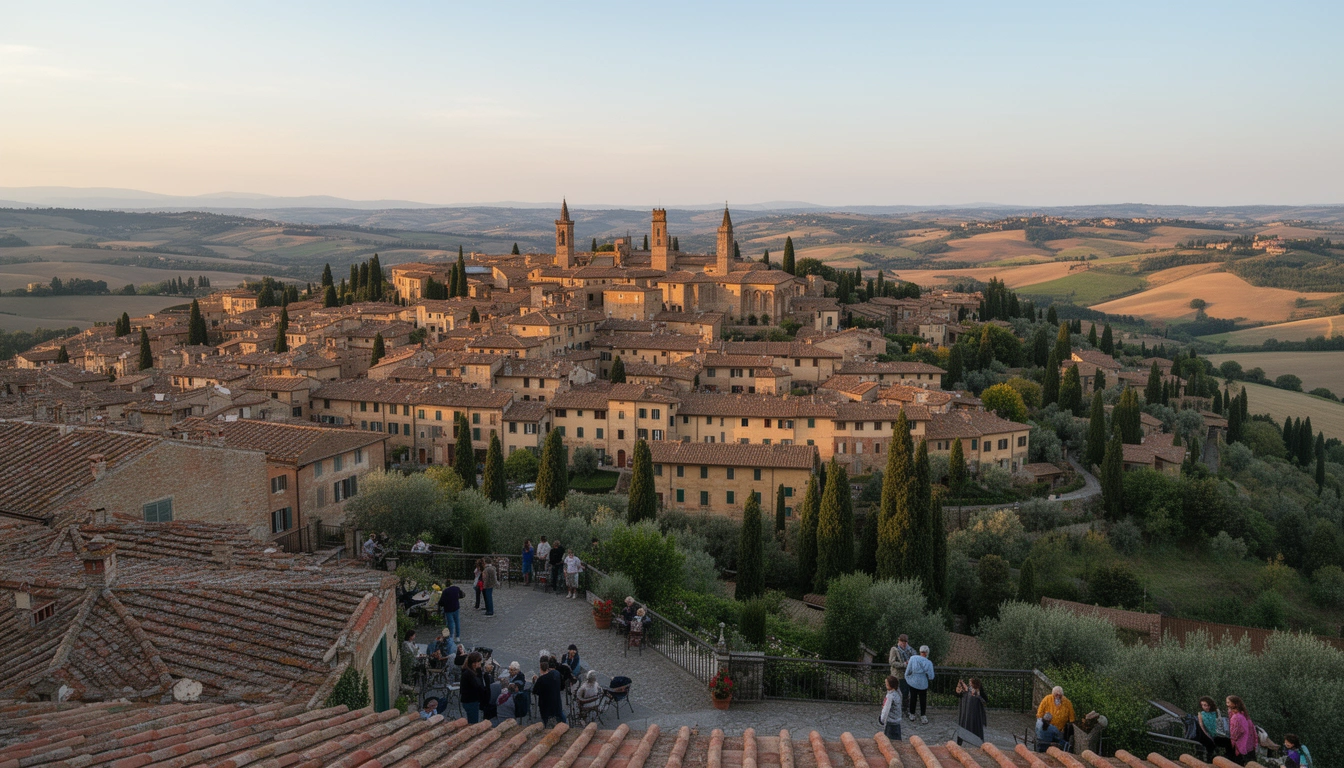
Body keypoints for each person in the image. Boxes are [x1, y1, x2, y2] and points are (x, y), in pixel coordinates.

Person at [904, 645, 934, 724]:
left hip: (913, 682)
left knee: (913, 698)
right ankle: (923, 716)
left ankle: (912, 714)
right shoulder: (929, 663)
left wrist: (908, 678)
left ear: (920, 651)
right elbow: (931, 676)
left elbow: (908, 671)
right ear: (927, 653)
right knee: (923, 700)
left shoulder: (913, 658)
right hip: (923, 683)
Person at [532, 658, 567, 726]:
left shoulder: (541, 680)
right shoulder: (556, 673)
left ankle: (546, 726)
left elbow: (535, 691)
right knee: (559, 713)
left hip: (545, 704)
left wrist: (536, 681)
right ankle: (564, 724)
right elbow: (562, 686)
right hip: (556, 700)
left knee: (545, 717)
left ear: (541, 669)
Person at [1226, 695, 1256, 766]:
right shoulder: (1242, 714)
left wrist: (1232, 739)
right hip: (1244, 743)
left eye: (1228, 702)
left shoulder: (1237, 717)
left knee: (1238, 762)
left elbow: (1236, 732)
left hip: (1239, 744)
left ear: (1234, 704)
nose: (1227, 705)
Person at [956, 678, 988, 742]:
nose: (969, 684)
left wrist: (977, 695)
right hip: (966, 712)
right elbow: (961, 693)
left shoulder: (978, 692)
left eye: (971, 683)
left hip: (974, 713)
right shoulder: (967, 691)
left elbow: (985, 700)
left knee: (973, 726)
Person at [1193, 696, 1224, 761]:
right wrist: (1207, 735)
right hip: (1207, 734)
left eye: (1206, 705)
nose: (1204, 707)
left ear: (1210, 705)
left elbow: (1220, 723)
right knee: (1210, 746)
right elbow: (1201, 726)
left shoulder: (1216, 712)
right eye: (1202, 705)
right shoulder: (1201, 714)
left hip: (1217, 733)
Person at [460, 652, 487, 724]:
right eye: (474, 662)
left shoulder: (469, 671)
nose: (476, 664)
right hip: (471, 701)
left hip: (470, 701)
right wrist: (479, 672)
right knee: (473, 723)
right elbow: (479, 685)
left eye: (478, 662)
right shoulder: (469, 673)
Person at [888, 634, 915, 706]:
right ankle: (896, 708)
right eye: (902, 642)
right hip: (897, 675)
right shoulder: (894, 649)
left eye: (905, 642)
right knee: (896, 693)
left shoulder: (910, 650)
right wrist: (904, 664)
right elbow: (892, 662)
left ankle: (904, 708)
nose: (903, 644)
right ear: (899, 641)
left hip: (907, 675)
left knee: (905, 693)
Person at [879, 674, 902, 741]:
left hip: (890, 721)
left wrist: (882, 720)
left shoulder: (890, 696)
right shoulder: (898, 693)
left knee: (889, 741)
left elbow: (886, 709)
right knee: (897, 740)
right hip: (897, 720)